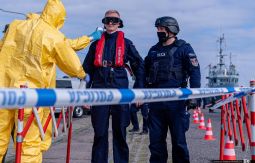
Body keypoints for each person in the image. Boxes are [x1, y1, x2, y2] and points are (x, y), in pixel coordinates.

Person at [0, 0, 102, 162]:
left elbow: (3, 47)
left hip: (4, 92)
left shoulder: (16, 26)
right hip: (30, 96)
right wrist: (82, 74)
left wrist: (88, 38)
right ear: (59, 18)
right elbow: (68, 57)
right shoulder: (53, 36)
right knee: (29, 144)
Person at [83, 9, 144, 163]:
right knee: (100, 134)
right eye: (107, 20)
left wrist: (139, 91)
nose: (110, 23)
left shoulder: (127, 44)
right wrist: (85, 95)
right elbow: (86, 71)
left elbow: (139, 66)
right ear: (104, 22)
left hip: (120, 91)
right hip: (99, 92)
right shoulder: (95, 45)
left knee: (120, 133)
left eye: (114, 20)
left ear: (119, 24)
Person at [144, 16, 201, 163]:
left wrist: (194, 96)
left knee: (179, 143)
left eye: (161, 29)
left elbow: (195, 72)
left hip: (177, 103)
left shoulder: (184, 48)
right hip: (156, 103)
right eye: (157, 29)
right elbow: (143, 73)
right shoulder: (153, 50)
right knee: (156, 144)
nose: (158, 31)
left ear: (171, 30)